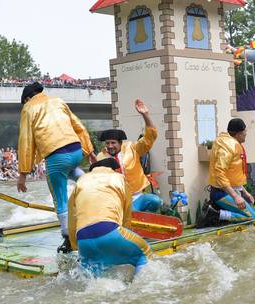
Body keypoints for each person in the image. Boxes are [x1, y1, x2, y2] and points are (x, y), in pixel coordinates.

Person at [17, 82, 95, 253]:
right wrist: (89, 151)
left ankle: (68, 238)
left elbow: (26, 141)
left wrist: (23, 173)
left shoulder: (28, 108)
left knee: (59, 197)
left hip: (56, 155)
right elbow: (79, 126)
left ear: (27, 98)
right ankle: (93, 192)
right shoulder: (58, 101)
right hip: (75, 151)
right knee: (75, 173)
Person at [68, 158, 152, 277]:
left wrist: (76, 247)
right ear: (114, 170)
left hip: (82, 238)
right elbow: (126, 214)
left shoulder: (81, 181)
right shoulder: (119, 178)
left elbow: (72, 219)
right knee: (144, 252)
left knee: (93, 275)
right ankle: (140, 290)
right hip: (109, 230)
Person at [97, 99, 163, 213]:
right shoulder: (101, 157)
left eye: (113, 143)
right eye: (107, 143)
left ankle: (146, 221)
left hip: (137, 195)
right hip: (117, 199)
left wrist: (145, 115)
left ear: (120, 143)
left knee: (156, 201)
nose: (110, 146)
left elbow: (150, 137)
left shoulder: (132, 148)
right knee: (131, 212)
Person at [198, 118, 255, 227]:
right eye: (245, 131)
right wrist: (235, 196)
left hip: (229, 190)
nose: (246, 134)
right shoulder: (229, 146)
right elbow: (220, 173)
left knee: (246, 214)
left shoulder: (230, 143)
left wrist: (244, 192)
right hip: (221, 193)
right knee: (250, 216)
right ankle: (215, 214)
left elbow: (231, 174)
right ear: (239, 133)